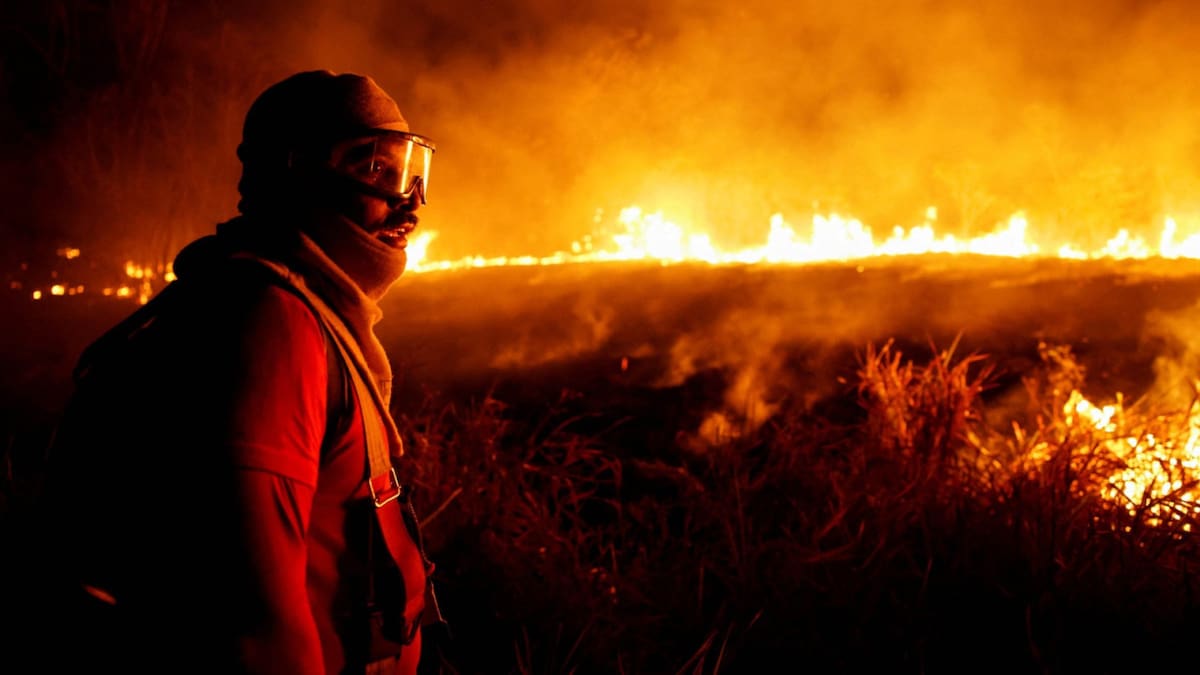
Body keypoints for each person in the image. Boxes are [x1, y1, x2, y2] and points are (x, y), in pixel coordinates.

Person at [33, 69, 443, 674]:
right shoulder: (269, 325)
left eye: (410, 171)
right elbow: (254, 625)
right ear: (297, 169)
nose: (408, 199)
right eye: (374, 168)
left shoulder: (310, 314)